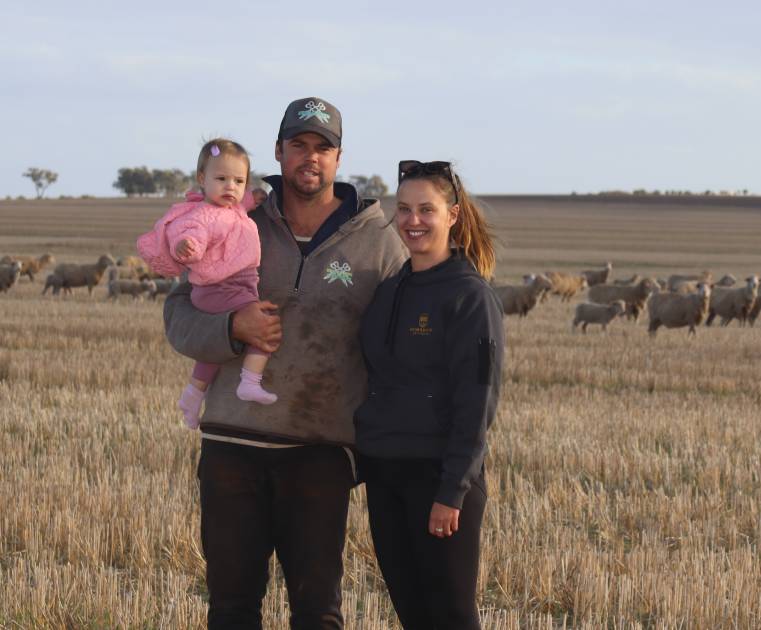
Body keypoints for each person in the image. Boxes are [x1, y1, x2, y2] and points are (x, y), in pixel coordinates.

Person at [162, 97, 407, 628]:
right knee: (230, 608)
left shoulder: (379, 242)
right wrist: (231, 329)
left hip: (319, 451)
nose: (310, 157)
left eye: (323, 147)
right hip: (231, 444)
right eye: (299, 145)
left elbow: (400, 344)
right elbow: (178, 315)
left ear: (339, 158)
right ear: (279, 151)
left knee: (318, 613)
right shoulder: (234, 221)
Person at [354, 160, 504, 629]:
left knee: (452, 617)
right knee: (414, 616)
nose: (412, 220)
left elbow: (477, 401)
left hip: (438, 479)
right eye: (403, 209)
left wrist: (452, 490)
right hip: (386, 475)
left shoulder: (470, 297)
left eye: (426, 209)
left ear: (453, 215)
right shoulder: (391, 289)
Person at [137, 138, 277, 430]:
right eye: (222, 179)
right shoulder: (200, 215)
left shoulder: (233, 208)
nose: (231, 187)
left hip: (227, 287)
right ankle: (250, 381)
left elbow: (244, 203)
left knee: (213, 352)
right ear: (202, 179)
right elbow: (190, 234)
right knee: (265, 325)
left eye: (239, 181)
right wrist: (187, 247)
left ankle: (193, 395)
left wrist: (256, 197)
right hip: (220, 288)